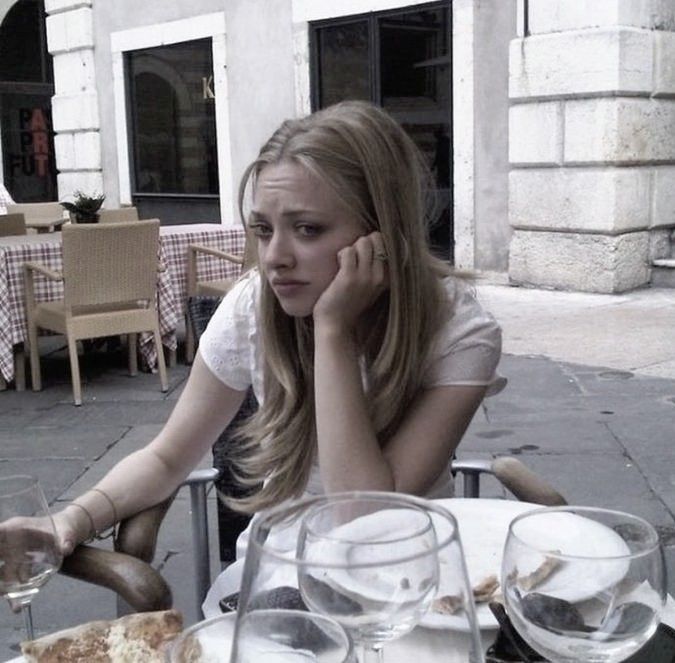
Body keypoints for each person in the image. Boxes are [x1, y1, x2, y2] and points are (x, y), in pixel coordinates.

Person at [52, 100, 504, 616]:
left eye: (308, 229)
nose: (274, 257)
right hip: (281, 576)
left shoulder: (460, 332)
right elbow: (166, 458)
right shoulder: (252, 309)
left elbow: (364, 517)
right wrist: (68, 523)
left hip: (413, 583)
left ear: (385, 234)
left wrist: (332, 333)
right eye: (264, 229)